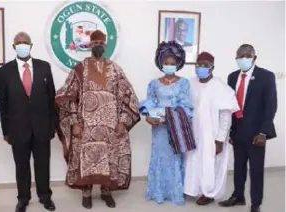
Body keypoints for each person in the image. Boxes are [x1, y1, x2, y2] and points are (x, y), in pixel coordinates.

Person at [56, 30, 141, 209]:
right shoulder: (80, 68)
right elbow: (70, 97)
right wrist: (75, 123)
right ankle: (86, 193)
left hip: (110, 126)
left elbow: (128, 97)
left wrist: (122, 121)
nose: (98, 46)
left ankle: (106, 192)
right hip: (86, 126)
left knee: (109, 159)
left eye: (101, 43)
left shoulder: (116, 69)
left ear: (106, 45)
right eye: (94, 43)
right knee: (86, 158)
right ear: (89, 45)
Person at [0, 32, 57, 212]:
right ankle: (23, 198)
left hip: (41, 127)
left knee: (42, 164)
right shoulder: (4, 71)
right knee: (21, 166)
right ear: (14, 46)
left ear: (31, 46)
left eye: (25, 42)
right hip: (18, 128)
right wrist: (6, 130)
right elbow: (3, 102)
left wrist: (52, 125)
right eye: (19, 42)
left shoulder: (44, 67)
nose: (22, 45)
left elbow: (51, 98)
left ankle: (45, 196)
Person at [219, 44, 277, 212]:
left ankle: (256, 203)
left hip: (256, 132)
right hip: (238, 130)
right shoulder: (232, 77)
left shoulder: (266, 76)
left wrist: (263, 132)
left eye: (246, 55)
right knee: (239, 166)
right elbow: (230, 105)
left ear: (254, 57)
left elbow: (271, 105)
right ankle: (238, 196)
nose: (242, 58)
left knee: (256, 169)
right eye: (239, 55)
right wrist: (229, 129)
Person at [140, 41, 192, 205]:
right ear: (160, 63)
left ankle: (175, 192)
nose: (169, 66)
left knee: (175, 158)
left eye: (172, 63)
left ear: (178, 64)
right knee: (159, 158)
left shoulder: (183, 83)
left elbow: (186, 106)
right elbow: (150, 103)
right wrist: (148, 117)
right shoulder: (153, 83)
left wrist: (171, 116)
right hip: (159, 129)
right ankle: (158, 192)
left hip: (175, 128)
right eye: (166, 63)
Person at [184, 52, 239, 205]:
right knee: (192, 160)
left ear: (212, 67)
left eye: (205, 65)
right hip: (193, 132)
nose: (201, 68)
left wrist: (220, 139)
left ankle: (208, 193)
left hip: (211, 134)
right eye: (198, 64)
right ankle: (192, 189)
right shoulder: (190, 82)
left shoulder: (220, 87)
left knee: (209, 163)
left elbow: (226, 117)